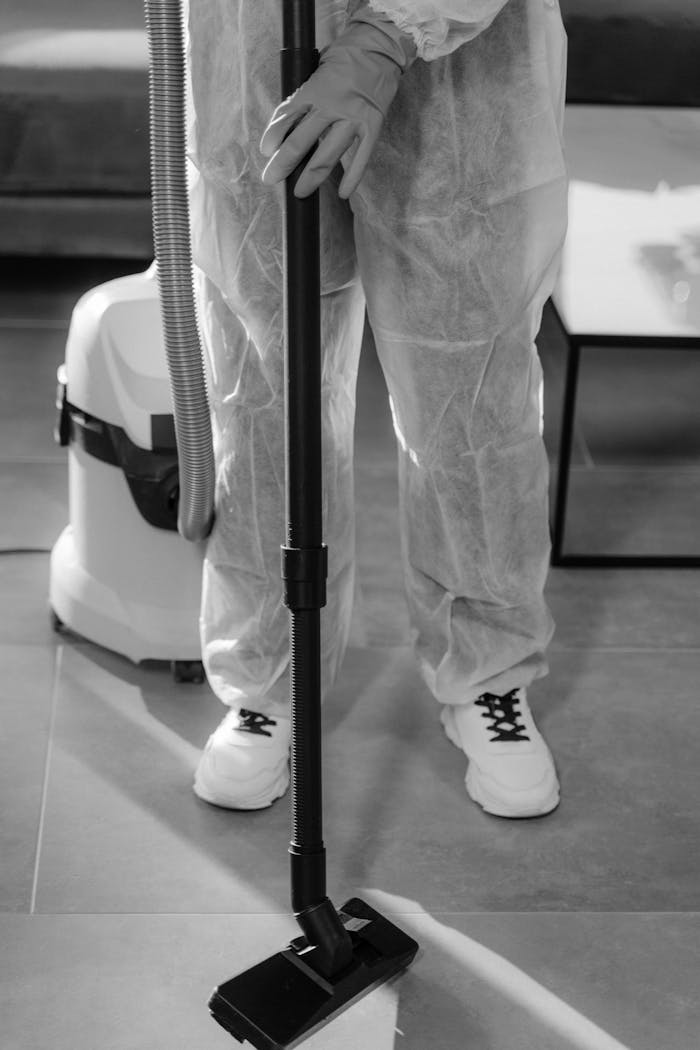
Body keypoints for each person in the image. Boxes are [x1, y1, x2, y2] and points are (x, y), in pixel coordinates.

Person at [184, 0, 569, 819]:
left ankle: (488, 674)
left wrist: (384, 38)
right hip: (252, 35)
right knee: (263, 377)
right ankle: (268, 678)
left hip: (465, 64)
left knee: (471, 390)